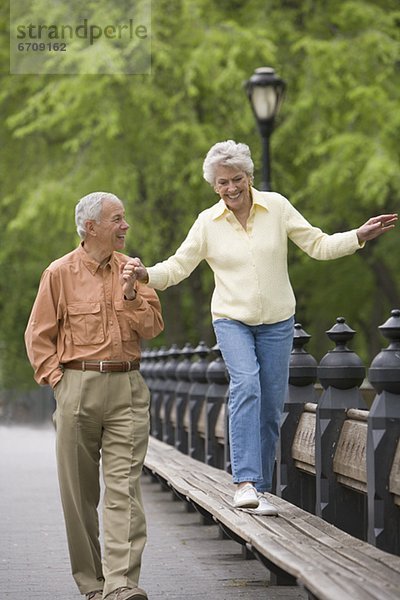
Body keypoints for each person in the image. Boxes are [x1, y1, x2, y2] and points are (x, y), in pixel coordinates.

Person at [130, 140, 397, 516]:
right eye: (222, 182)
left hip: (277, 322)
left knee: (271, 406)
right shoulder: (208, 223)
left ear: (249, 177)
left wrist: (358, 236)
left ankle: (262, 490)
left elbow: (318, 244)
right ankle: (244, 481)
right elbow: (177, 267)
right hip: (231, 319)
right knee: (246, 385)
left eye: (236, 179)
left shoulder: (277, 207)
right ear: (214, 185)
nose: (230, 188)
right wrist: (146, 275)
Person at [25, 192, 164, 600]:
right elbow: (38, 336)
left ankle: (122, 584)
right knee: (79, 495)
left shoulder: (134, 270)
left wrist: (130, 293)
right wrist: (58, 382)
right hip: (77, 388)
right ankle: (92, 585)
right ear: (92, 228)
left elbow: (154, 327)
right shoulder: (59, 273)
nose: (126, 226)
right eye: (117, 219)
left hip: (127, 389)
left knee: (124, 490)